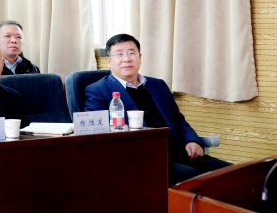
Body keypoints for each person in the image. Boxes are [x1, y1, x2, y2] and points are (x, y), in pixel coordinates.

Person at [85, 33, 231, 184]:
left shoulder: (158, 85)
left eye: (131, 53)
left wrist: (192, 140)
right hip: (144, 159)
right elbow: (97, 134)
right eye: (119, 54)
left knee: (232, 173)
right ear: (109, 60)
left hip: (180, 152)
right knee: (196, 180)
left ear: (140, 57)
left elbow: (177, 119)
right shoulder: (98, 90)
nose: (126, 59)